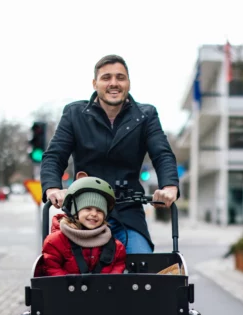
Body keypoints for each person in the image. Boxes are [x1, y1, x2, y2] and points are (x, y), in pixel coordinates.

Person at [41, 54, 179, 253]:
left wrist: (169, 187)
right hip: (84, 211)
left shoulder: (145, 115)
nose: (114, 83)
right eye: (106, 78)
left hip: (128, 213)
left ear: (129, 83)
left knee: (142, 267)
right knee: (69, 269)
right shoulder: (74, 114)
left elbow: (162, 154)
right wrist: (53, 188)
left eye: (120, 77)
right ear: (95, 83)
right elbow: (54, 156)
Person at [40, 177, 126, 276]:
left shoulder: (116, 247)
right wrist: (68, 285)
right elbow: (52, 267)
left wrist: (108, 284)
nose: (94, 214)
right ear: (74, 212)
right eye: (88, 208)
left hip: (103, 289)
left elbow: (118, 267)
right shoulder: (55, 242)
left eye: (99, 211)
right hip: (67, 288)